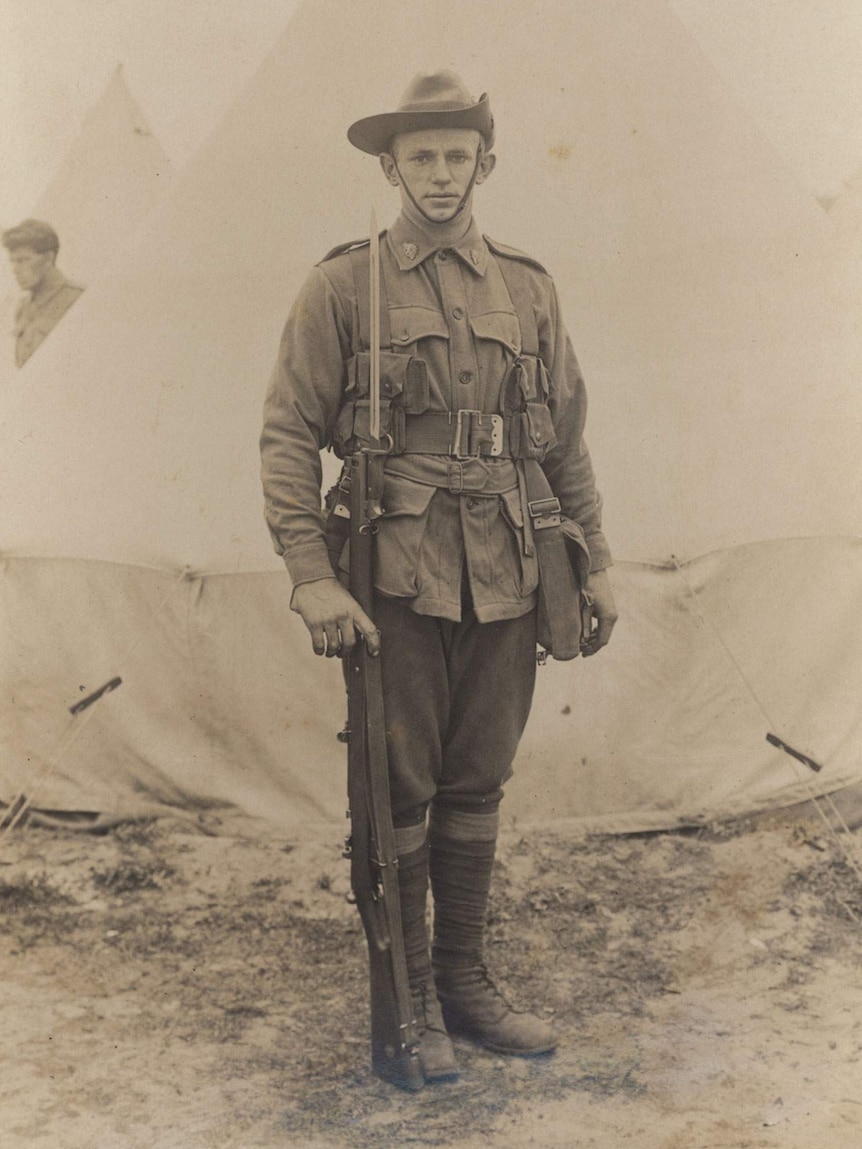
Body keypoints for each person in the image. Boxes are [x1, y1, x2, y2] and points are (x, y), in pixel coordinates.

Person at [260, 71, 617, 1084]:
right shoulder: (343, 285)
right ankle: (408, 1004)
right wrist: (310, 579)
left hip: (510, 566)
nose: (440, 175)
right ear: (390, 168)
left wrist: (597, 563)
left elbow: (565, 442)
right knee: (399, 791)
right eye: (420, 157)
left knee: (476, 784)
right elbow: (287, 435)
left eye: (457, 156)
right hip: (394, 576)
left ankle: (463, 985)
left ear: (485, 164)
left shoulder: (528, 287)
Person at [3, 219, 84, 368]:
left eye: (23, 260)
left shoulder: (76, 300)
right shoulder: (22, 308)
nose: (15, 269)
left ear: (48, 258)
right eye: (13, 262)